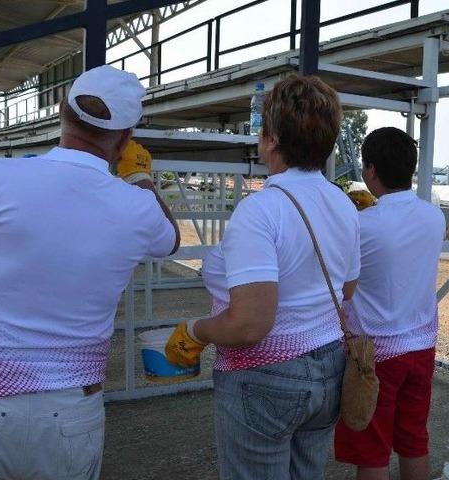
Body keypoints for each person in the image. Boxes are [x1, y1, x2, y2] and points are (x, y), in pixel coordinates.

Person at [0, 64, 179, 479]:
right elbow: (169, 239)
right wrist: (139, 176)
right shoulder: (137, 207)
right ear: (127, 137)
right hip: (70, 415)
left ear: (62, 111)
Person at [164, 75, 359, 480]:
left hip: (266, 377)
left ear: (271, 139)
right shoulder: (342, 203)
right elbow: (348, 288)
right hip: (329, 366)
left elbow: (250, 324)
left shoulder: (262, 210)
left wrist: (195, 331)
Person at [333, 127, 445, 480]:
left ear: (370, 171)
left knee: (372, 449)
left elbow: (343, 285)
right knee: (414, 440)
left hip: (375, 354)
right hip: (422, 348)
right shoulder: (434, 216)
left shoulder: (361, 225)